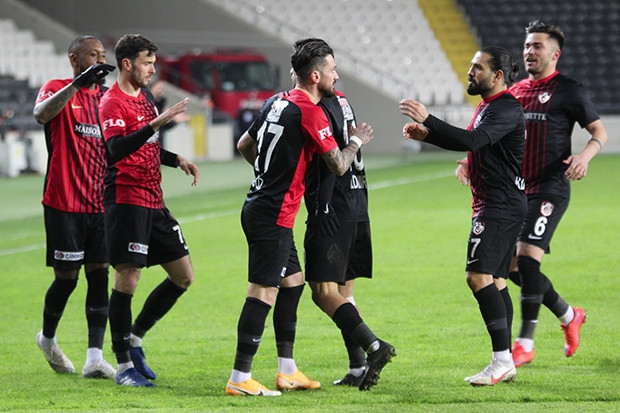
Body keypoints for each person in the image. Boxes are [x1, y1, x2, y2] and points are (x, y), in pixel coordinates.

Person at [226, 38, 373, 396]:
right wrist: (356, 141)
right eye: (332, 70)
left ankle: (287, 371)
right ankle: (239, 377)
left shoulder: (276, 101)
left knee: (292, 283)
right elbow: (339, 165)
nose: (337, 75)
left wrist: (268, 174)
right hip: (273, 213)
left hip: (263, 204)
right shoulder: (310, 111)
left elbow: (245, 144)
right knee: (262, 291)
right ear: (314, 76)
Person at [400, 46, 526, 386]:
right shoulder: (488, 106)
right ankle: (506, 361)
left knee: (477, 277)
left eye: (477, 67)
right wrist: (429, 135)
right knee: (496, 280)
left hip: (500, 204)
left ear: (497, 75)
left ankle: (501, 361)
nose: (470, 72)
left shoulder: (506, 107)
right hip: (496, 202)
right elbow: (475, 144)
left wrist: (428, 119)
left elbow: (474, 139)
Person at [99, 34, 200, 387]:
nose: (153, 70)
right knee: (128, 278)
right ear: (127, 64)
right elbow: (116, 149)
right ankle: (124, 366)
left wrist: (175, 159)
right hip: (126, 201)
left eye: (154, 63)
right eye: (147, 63)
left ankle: (135, 337)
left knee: (183, 275)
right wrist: (157, 123)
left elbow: (148, 145)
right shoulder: (111, 102)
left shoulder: (145, 98)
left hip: (154, 200)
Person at [505, 20, 606, 366]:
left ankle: (525, 343)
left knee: (527, 258)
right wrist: (472, 159)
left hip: (550, 186)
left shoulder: (569, 90)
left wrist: (584, 156)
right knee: (512, 269)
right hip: (518, 188)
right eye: (527, 45)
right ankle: (569, 315)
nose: (529, 51)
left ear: (555, 54)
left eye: (537, 46)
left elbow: (599, 132)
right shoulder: (515, 91)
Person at [33, 36, 116, 379]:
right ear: (74, 59)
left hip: (99, 202)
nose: (99, 60)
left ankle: (94, 358)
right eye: (93, 54)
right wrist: (77, 85)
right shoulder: (57, 88)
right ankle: (47, 339)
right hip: (63, 200)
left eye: (102, 55)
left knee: (99, 274)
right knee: (67, 279)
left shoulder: (106, 99)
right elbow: (41, 114)